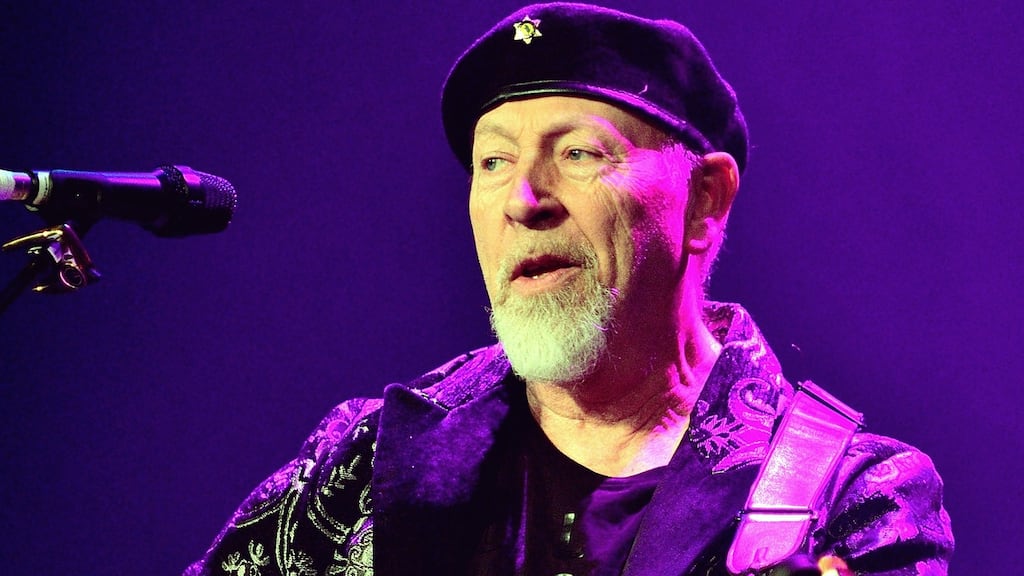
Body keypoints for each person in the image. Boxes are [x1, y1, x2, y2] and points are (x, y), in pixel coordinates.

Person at [186, 3, 953, 575]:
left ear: (704, 202)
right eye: (493, 163)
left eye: (580, 153)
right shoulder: (367, 456)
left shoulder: (848, 495)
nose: (523, 200)